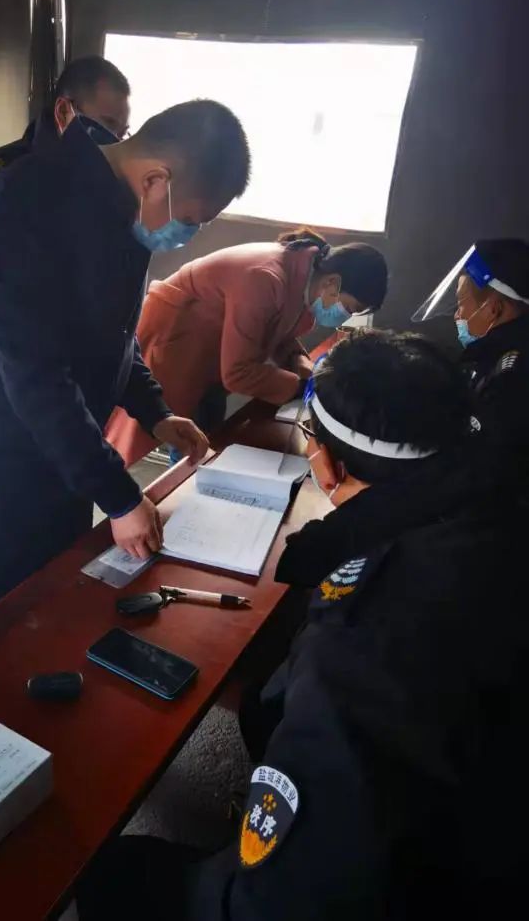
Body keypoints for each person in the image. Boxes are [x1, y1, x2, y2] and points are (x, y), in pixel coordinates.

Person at [76, 331, 529, 920]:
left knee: (111, 872)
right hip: (484, 799)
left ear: (328, 462)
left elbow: (292, 897)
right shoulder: (495, 506)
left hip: (433, 878)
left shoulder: (361, 639)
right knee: (268, 691)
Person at [0, 100, 251, 623]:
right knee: (1, 622)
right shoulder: (23, 205)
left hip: (65, 445)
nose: (185, 235)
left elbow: (114, 338)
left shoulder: (123, 210)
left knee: (60, 597)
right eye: (190, 220)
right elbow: (35, 378)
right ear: (156, 180)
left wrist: (156, 413)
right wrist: (119, 497)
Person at [105, 229, 387, 465]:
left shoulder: (303, 275)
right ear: (333, 282)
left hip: (211, 351)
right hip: (176, 342)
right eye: (350, 308)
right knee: (183, 433)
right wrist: (303, 389)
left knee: (207, 432)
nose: (345, 316)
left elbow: (275, 328)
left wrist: (296, 359)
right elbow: (238, 372)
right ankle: (174, 493)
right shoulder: (265, 277)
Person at [0, 55, 131, 335]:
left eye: (121, 134)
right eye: (107, 125)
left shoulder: (88, 186)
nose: (114, 144)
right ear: (64, 112)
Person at [414, 238, 529, 470]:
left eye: (460, 304)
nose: (457, 315)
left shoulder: (511, 378)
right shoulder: (491, 356)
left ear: (494, 309)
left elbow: (487, 466)